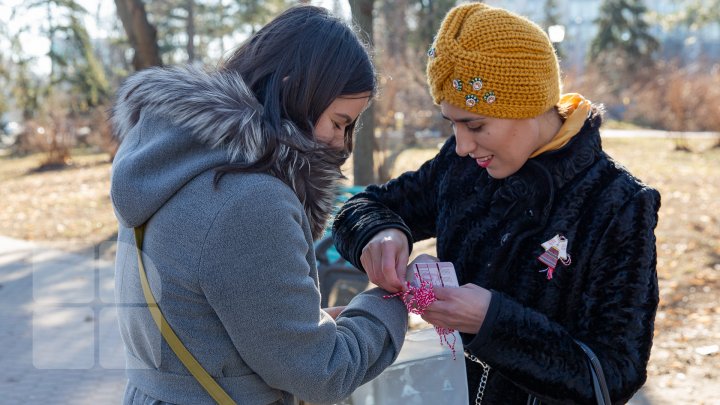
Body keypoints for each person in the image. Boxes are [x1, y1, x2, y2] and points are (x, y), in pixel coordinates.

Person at [332, 3, 661, 404]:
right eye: (451, 123)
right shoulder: (460, 165)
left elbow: (613, 374)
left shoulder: (616, 204)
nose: (463, 144)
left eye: (475, 125)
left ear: (528, 106)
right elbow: (362, 207)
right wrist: (379, 232)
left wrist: (493, 323)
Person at [110, 5, 408, 405]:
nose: (341, 144)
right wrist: (392, 304)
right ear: (292, 88)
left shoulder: (171, 164)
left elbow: (209, 324)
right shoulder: (249, 201)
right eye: (339, 122)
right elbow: (321, 373)